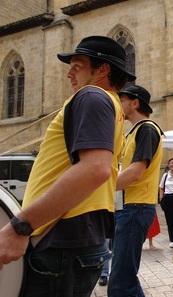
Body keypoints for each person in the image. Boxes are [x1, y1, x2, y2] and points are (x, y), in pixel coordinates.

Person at [0, 35, 133, 295]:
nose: (69, 74)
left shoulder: (91, 96)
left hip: (61, 239)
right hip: (73, 239)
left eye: (77, 66)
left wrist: (21, 226)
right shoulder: (110, 105)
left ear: (103, 69)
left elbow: (95, 169)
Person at [108, 85, 163, 296]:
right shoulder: (134, 132)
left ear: (135, 103)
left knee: (121, 282)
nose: (118, 105)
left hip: (136, 208)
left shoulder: (147, 129)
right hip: (129, 208)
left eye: (122, 100)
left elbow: (134, 173)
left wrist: (100, 188)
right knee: (123, 278)